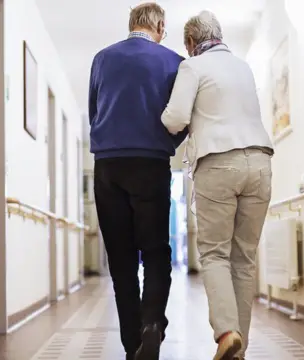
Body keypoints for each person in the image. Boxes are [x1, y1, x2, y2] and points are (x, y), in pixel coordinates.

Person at [161, 11, 274, 360]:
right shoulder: (243, 66)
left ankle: (226, 333)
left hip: (218, 163)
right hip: (260, 163)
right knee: (244, 259)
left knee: (214, 254)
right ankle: (238, 351)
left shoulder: (193, 67)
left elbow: (175, 118)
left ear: (191, 44)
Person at [88, 3, 187, 360]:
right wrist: (166, 145)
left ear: (131, 25)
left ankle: (133, 344)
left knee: (121, 259)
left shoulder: (101, 58)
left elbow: (94, 111)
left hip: (109, 165)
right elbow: (182, 117)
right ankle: (152, 325)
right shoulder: (174, 61)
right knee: (157, 251)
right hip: (151, 162)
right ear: (159, 26)